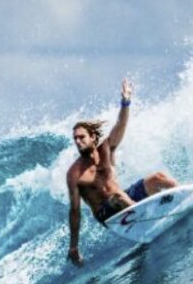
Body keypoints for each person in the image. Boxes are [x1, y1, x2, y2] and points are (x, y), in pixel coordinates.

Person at [66, 79, 177, 266]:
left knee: (158, 177)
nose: (78, 141)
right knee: (117, 196)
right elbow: (75, 212)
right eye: (75, 139)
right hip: (108, 215)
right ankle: (147, 219)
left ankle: (183, 199)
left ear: (93, 137)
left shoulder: (106, 149)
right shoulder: (75, 174)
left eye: (81, 137)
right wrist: (74, 247)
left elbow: (120, 125)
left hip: (124, 198)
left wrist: (125, 102)